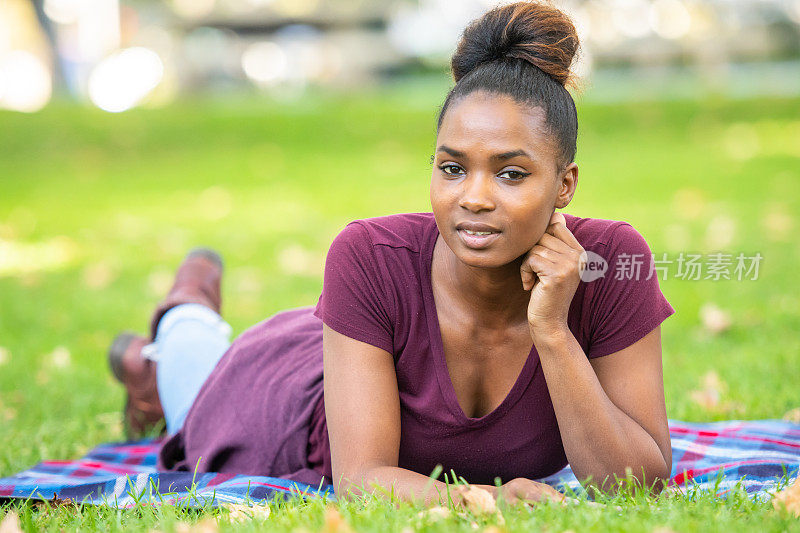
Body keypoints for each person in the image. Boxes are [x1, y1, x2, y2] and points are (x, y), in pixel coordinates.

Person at [108, 1, 675, 506]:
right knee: (192, 385)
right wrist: (490, 503)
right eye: (452, 168)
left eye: (511, 173)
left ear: (565, 184)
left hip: (356, 350)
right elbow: (362, 480)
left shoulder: (610, 263)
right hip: (278, 411)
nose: (473, 198)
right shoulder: (368, 255)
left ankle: (159, 350)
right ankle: (178, 324)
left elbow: (637, 484)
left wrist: (553, 331)